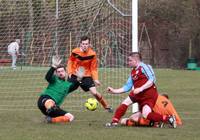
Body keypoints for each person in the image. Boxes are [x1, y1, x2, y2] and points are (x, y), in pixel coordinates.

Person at [106, 52, 177, 128]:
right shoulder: (133, 71)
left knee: (146, 114)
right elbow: (127, 87)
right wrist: (114, 91)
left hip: (149, 94)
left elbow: (152, 79)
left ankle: (169, 119)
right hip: (137, 93)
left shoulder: (144, 67)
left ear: (136, 60)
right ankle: (114, 122)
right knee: (125, 103)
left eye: (130, 60)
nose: (128, 62)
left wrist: (141, 88)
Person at [66, 35, 112, 112]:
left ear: (89, 44)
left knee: (94, 92)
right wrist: (70, 72)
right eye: (83, 44)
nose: (85, 46)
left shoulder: (92, 54)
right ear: (80, 44)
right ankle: (53, 106)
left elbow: (93, 68)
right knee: (65, 90)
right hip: (75, 74)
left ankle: (106, 106)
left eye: (86, 44)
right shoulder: (74, 51)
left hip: (86, 75)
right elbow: (70, 61)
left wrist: (96, 79)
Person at [37, 56, 77, 123]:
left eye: (62, 71)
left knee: (71, 117)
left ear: (66, 72)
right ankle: (50, 108)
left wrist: (79, 79)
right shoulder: (54, 79)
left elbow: (75, 86)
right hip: (44, 100)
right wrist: (53, 66)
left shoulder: (68, 85)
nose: (60, 73)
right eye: (58, 72)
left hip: (55, 107)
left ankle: (51, 120)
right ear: (56, 73)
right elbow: (47, 77)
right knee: (50, 102)